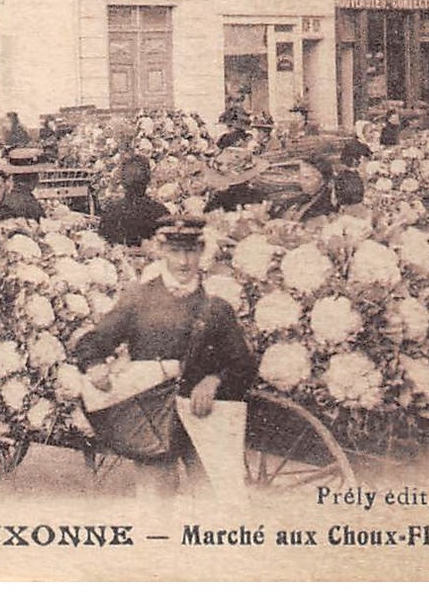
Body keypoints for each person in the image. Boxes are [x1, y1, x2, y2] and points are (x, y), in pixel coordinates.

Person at [73, 218, 258, 496]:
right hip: (154, 418)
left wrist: (214, 380)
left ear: (201, 252)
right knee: (155, 501)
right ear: (161, 251)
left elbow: (243, 363)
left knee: (211, 500)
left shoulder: (216, 306)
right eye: (175, 251)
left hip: (203, 420)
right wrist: (95, 364)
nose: (183, 262)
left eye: (191, 251)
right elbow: (96, 340)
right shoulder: (140, 299)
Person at [96, 156, 171, 247]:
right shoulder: (161, 212)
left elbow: (103, 244)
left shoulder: (111, 211)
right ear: (149, 180)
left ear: (122, 182)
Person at [273, 159, 338, 222]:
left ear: (322, 181)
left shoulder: (326, 207)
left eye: (307, 178)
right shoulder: (301, 198)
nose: (302, 182)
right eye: (300, 177)